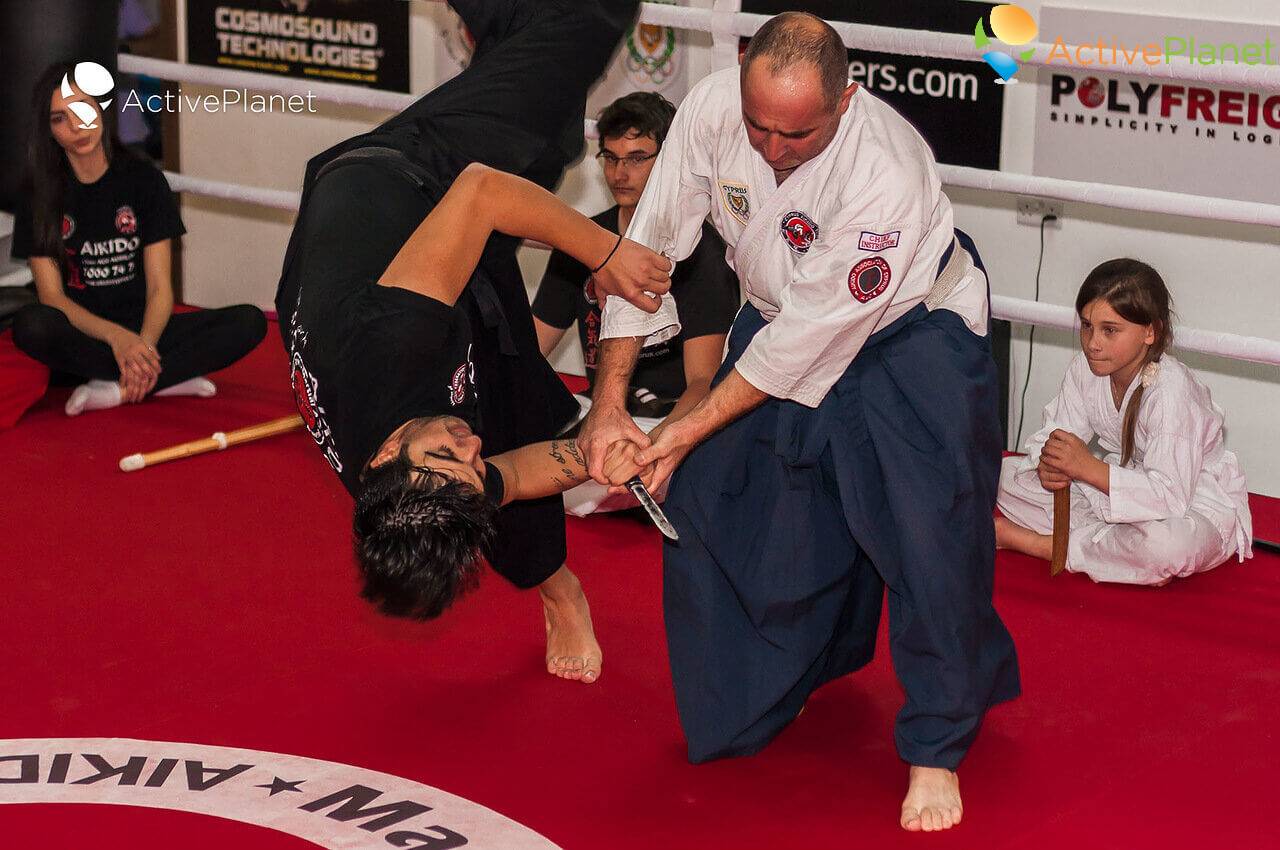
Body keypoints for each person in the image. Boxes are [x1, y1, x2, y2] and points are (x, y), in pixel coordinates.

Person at [578, 12, 1019, 833]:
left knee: (930, 537)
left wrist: (676, 431)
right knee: (711, 501)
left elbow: (801, 348)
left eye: (798, 134)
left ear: (846, 100)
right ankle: (773, 680)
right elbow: (648, 254)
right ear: (740, 80)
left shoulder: (885, 170)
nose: (775, 151)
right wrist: (609, 403)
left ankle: (937, 743)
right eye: (760, 127)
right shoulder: (712, 110)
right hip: (775, 315)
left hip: (906, 336)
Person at [275, 0, 668, 685]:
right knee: (515, 409)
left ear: (389, 454)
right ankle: (561, 590)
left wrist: (608, 253)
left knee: (579, 34)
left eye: (449, 453)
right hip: (414, 290)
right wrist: (618, 456)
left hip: (408, 180)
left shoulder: (391, 346)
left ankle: (492, 19)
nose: (470, 449)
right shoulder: (419, 488)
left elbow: (481, 193)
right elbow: (508, 477)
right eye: (467, 465)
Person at [10, 63, 266, 416]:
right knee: (31, 325)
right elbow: (53, 297)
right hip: (85, 336)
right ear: (48, 130)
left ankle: (117, 387)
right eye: (60, 118)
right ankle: (165, 376)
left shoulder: (144, 180)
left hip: (147, 327)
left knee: (249, 322)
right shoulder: (38, 195)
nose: (77, 126)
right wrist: (117, 339)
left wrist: (142, 344)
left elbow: (161, 289)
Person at [531, 91, 740, 515]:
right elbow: (531, 349)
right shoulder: (584, 238)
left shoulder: (701, 251)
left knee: (587, 489)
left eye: (637, 157)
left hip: (667, 423)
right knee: (518, 474)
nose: (619, 173)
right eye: (610, 157)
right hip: (598, 415)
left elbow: (703, 384)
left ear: (667, 161)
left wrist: (656, 449)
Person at [996, 259, 1253, 584]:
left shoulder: (1171, 390)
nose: (1093, 343)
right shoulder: (1084, 369)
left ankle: (1044, 545)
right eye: (1087, 325)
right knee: (1001, 474)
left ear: (1150, 331)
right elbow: (1055, 435)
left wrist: (1086, 467)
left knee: (1167, 547)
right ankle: (1114, 550)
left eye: (1110, 330)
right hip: (1116, 485)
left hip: (1193, 504)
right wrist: (1049, 462)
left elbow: (1170, 499)